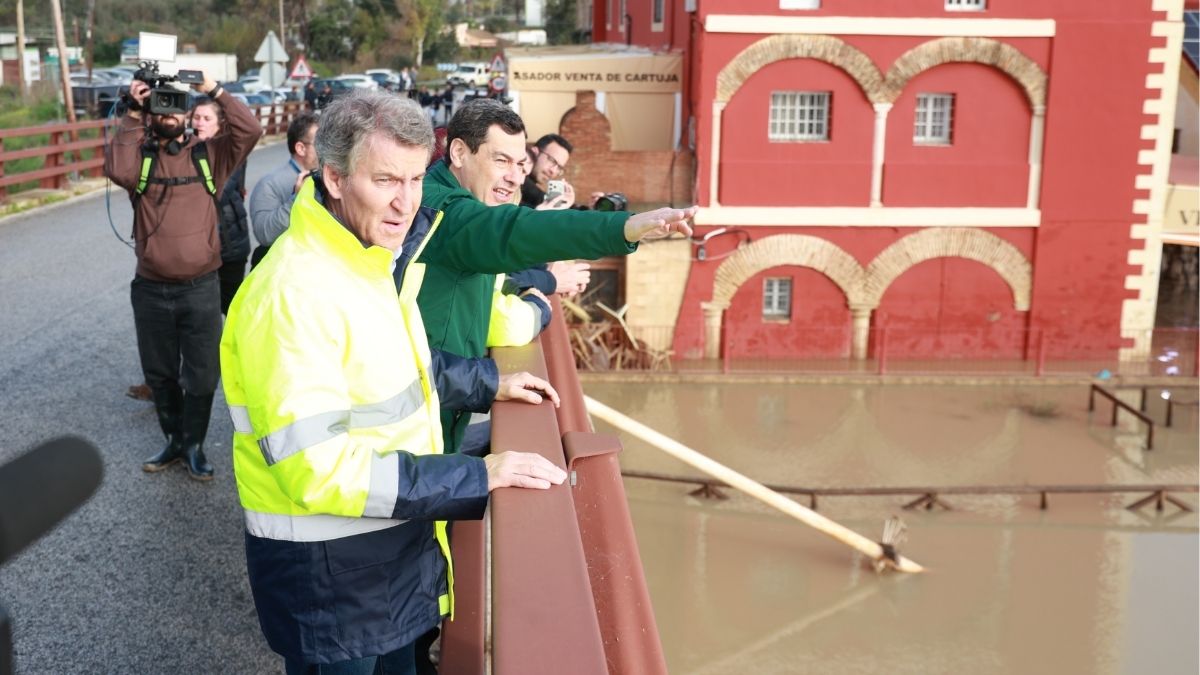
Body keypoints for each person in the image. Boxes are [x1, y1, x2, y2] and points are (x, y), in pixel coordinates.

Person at [220, 90, 566, 673]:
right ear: (333, 177)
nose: (407, 203)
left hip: (383, 563)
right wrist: (475, 474)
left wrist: (489, 383)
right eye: (385, 181)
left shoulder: (364, 255)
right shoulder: (294, 293)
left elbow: (399, 366)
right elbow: (319, 468)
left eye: (414, 180)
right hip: (331, 582)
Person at [418, 98, 696, 454]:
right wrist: (624, 228)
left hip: (441, 402)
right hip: (419, 424)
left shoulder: (460, 203)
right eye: (500, 160)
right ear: (459, 153)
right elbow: (515, 232)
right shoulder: (444, 211)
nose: (515, 177)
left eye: (520, 164)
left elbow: (498, 272)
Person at [104, 71, 260, 480]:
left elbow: (250, 128)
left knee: (203, 374)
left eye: (175, 103)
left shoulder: (209, 156)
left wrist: (213, 89)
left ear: (188, 111)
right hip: (152, 290)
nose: (168, 111)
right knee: (159, 373)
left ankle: (194, 446)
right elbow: (117, 168)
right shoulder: (143, 159)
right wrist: (134, 112)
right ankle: (173, 439)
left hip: (201, 288)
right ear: (152, 112)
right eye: (160, 103)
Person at [191, 97, 250, 314]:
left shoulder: (230, 153)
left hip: (230, 244)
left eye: (207, 118)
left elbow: (217, 192)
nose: (200, 123)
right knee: (205, 313)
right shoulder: (185, 151)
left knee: (233, 310)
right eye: (196, 117)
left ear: (219, 123)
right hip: (200, 249)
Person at [248, 112, 319, 266]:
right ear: (301, 148)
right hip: (282, 272)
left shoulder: (328, 181)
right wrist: (297, 199)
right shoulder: (270, 184)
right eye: (320, 142)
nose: (327, 148)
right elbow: (265, 234)